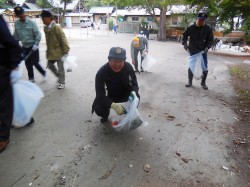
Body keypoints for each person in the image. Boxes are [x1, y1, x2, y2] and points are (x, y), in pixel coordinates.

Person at [92, 47, 140, 123]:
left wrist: (133, 92)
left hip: (126, 95)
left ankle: (128, 115)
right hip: (111, 97)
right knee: (98, 108)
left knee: (136, 97)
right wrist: (113, 105)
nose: (117, 64)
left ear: (124, 61)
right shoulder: (101, 73)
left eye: (120, 61)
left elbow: (134, 84)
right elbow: (100, 95)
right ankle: (105, 115)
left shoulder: (128, 67)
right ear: (109, 60)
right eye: (114, 61)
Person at [0, 15, 22, 153]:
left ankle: (3, 136)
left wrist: (13, 67)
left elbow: (12, 44)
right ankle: (23, 116)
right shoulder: (18, 23)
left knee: (4, 103)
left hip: (1, 69)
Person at [13, 6, 46, 83]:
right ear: (17, 16)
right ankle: (31, 78)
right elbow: (16, 36)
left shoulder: (31, 23)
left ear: (24, 13)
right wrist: (15, 47)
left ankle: (44, 73)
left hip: (33, 46)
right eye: (20, 15)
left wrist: (36, 44)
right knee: (27, 63)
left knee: (35, 63)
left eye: (23, 14)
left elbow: (38, 34)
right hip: (24, 46)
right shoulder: (17, 24)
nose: (22, 16)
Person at [182, 10, 214, 90]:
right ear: (197, 18)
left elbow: (210, 40)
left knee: (205, 68)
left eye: (203, 20)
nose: (201, 21)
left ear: (205, 20)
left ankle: (203, 83)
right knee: (191, 67)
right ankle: (190, 82)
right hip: (193, 50)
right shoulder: (191, 28)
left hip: (203, 51)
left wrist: (207, 47)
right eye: (200, 20)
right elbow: (184, 36)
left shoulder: (208, 28)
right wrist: (185, 44)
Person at [40, 10, 70, 89]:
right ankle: (59, 77)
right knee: (50, 65)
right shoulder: (46, 28)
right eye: (42, 19)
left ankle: (62, 82)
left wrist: (66, 50)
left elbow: (63, 38)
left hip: (60, 51)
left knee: (60, 68)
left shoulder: (56, 27)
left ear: (49, 18)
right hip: (51, 52)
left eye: (44, 18)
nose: (42, 20)